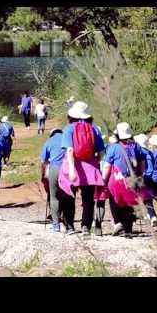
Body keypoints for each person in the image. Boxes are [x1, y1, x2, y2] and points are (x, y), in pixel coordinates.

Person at [58, 101, 106, 236]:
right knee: (88, 199)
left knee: (68, 196)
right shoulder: (95, 129)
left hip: (72, 167)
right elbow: (102, 152)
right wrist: (96, 161)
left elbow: (69, 150)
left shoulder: (68, 129)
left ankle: (70, 226)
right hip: (90, 168)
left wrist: (72, 170)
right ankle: (86, 226)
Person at [102, 122, 145, 237]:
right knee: (129, 203)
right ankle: (128, 229)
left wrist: (103, 180)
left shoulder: (113, 148)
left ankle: (118, 222)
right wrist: (140, 177)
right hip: (132, 179)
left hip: (116, 180)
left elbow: (107, 166)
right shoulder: (136, 146)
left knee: (114, 200)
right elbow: (142, 163)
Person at [41, 128, 65, 232]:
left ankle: (56, 225)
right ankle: (68, 224)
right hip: (68, 169)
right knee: (67, 197)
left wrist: (47, 168)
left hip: (54, 168)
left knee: (54, 196)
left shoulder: (49, 141)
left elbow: (43, 160)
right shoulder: (68, 139)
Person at [134, 134, 156, 226]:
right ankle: (152, 216)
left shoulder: (138, 152)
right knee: (148, 199)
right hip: (150, 177)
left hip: (141, 177)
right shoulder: (150, 152)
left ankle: (138, 217)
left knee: (137, 197)